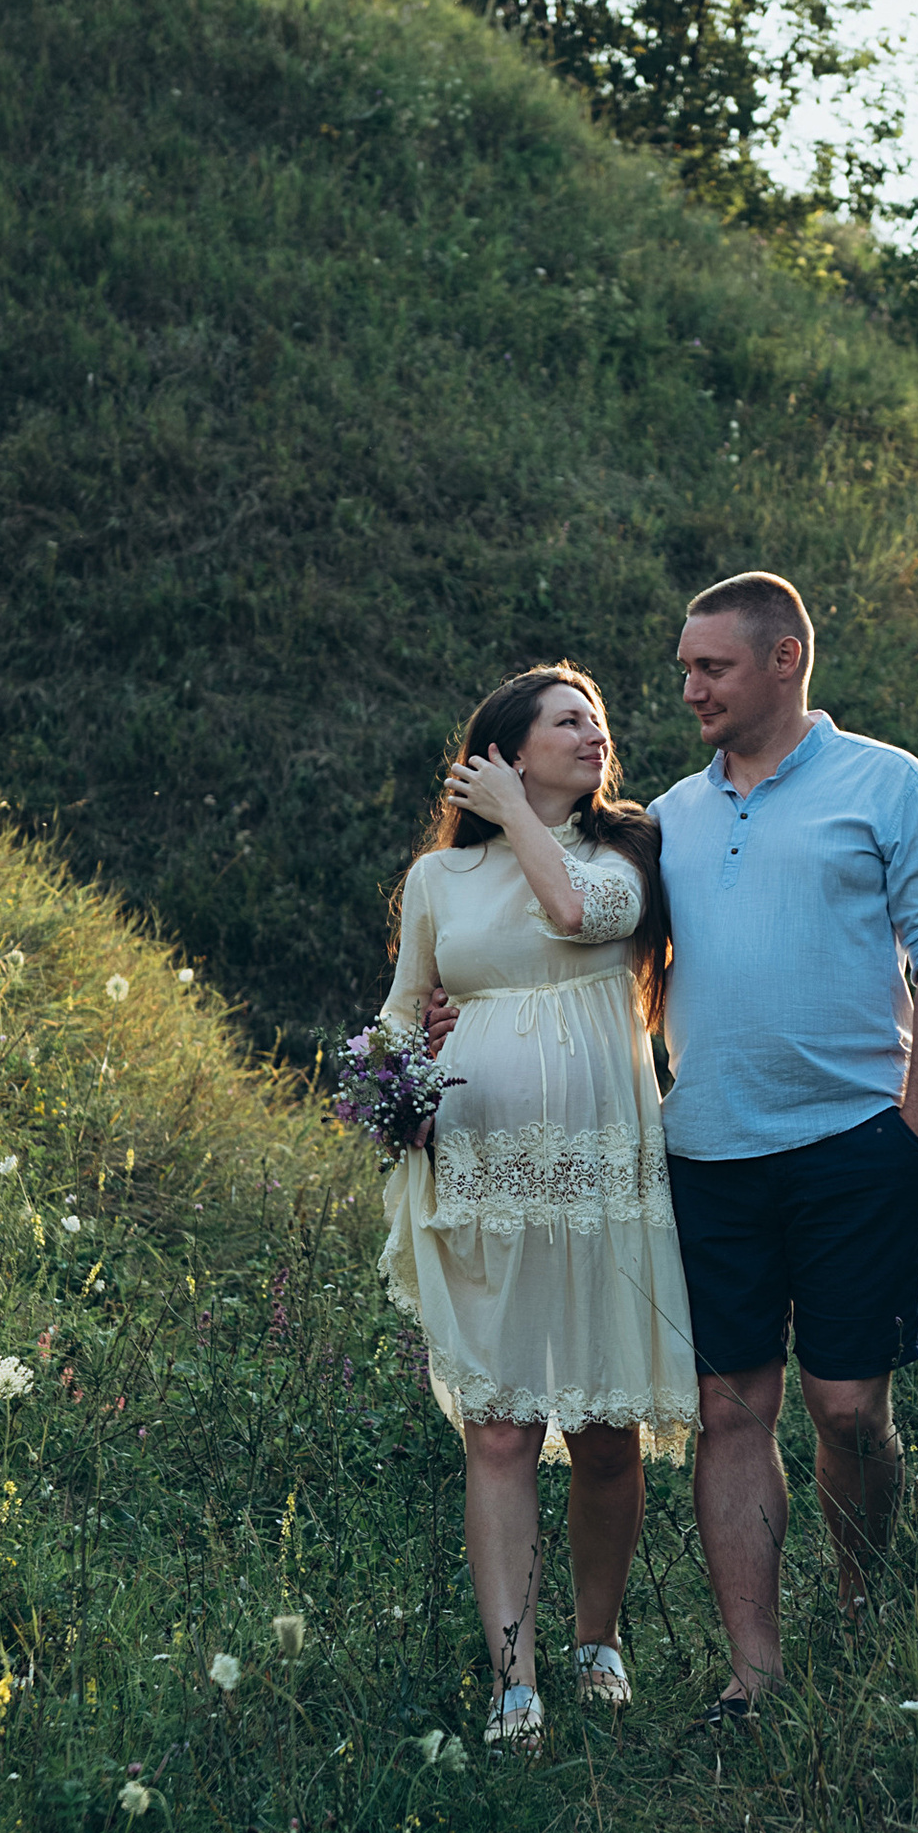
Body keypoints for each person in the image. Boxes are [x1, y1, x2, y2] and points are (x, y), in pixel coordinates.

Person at [655, 571, 918, 1727]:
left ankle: (862, 1601)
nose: (689, 686)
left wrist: (915, 1136)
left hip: (857, 1147)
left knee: (847, 1410)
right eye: (686, 668)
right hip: (705, 1155)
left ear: (783, 659)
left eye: (712, 667)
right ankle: (755, 1674)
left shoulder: (889, 787)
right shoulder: (666, 819)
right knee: (732, 1409)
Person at [377, 664, 696, 1750]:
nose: (596, 735)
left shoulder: (625, 856)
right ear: (511, 746)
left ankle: (596, 1641)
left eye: (599, 721)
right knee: (503, 1427)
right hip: (482, 1185)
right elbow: (398, 1014)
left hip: (602, 1182)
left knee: (607, 1432)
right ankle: (514, 1677)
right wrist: (389, 1095)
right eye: (570, 721)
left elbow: (569, 912)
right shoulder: (436, 884)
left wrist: (513, 810)